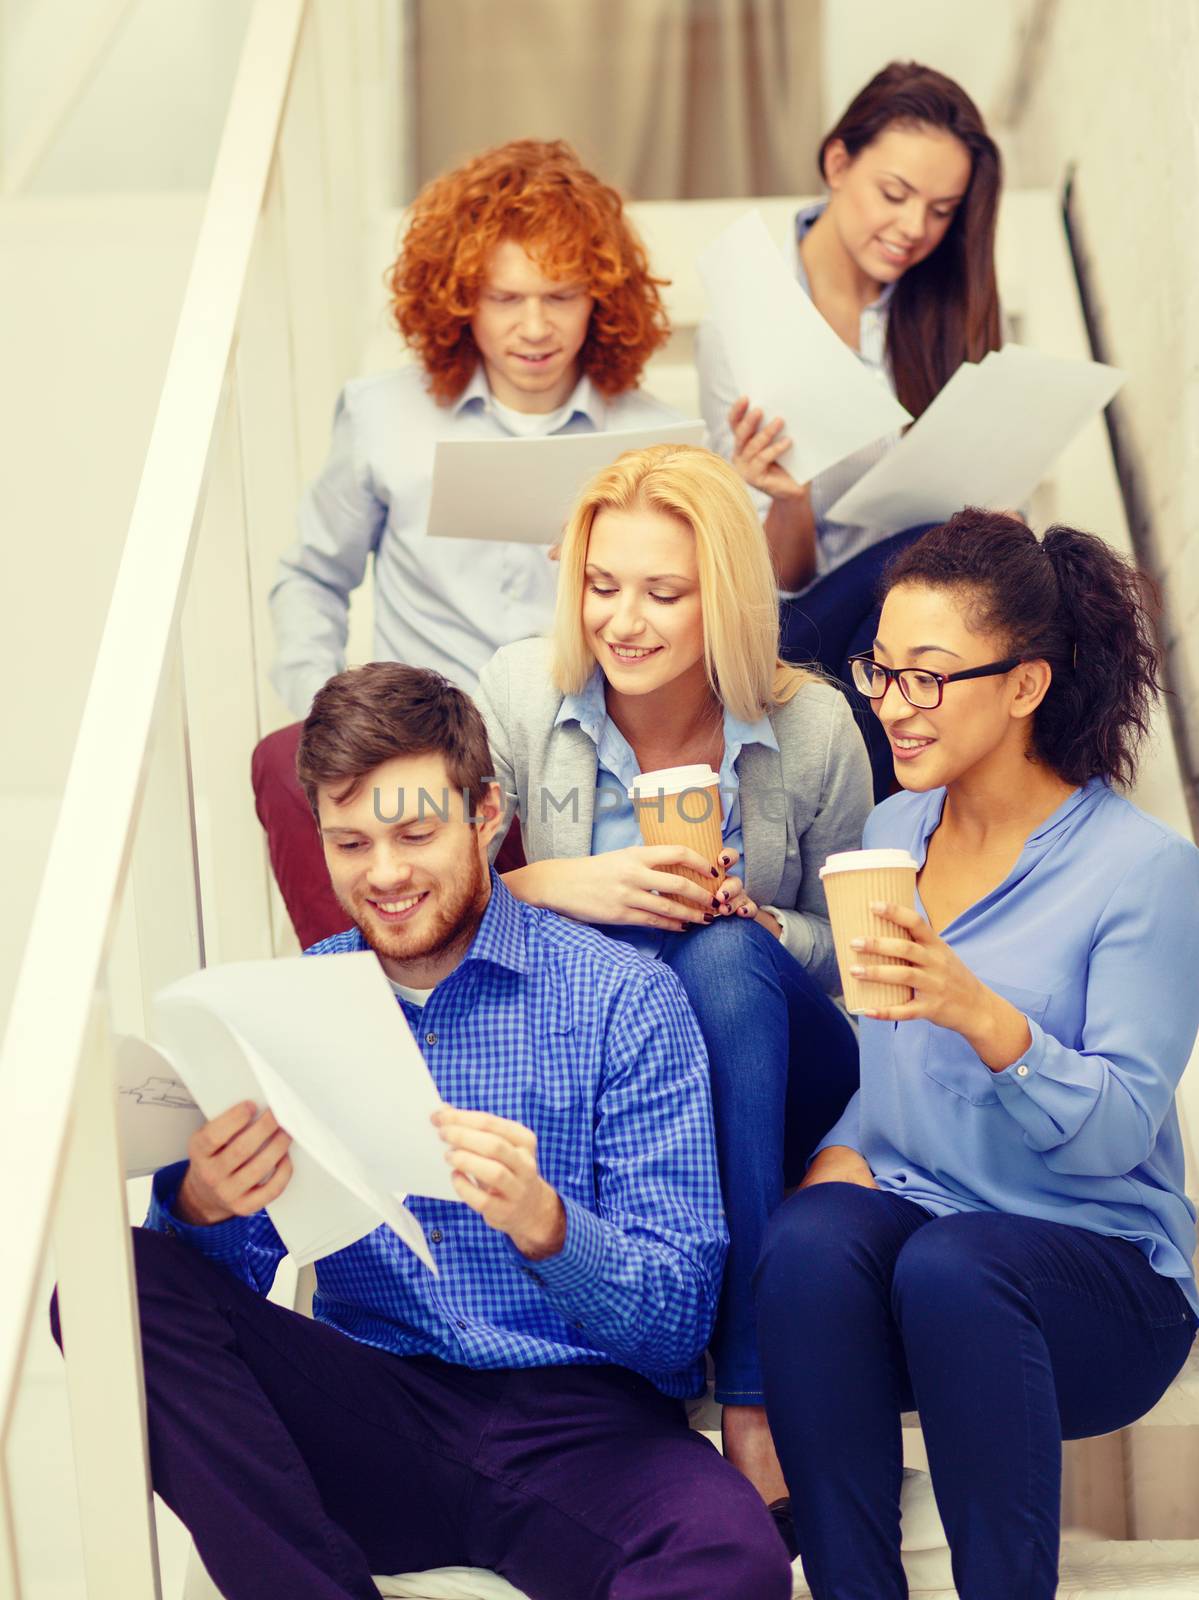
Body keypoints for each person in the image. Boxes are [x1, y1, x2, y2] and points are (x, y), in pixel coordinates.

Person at [56, 664, 791, 1600]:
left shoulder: (623, 1001)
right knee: (108, 1288)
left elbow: (677, 1325)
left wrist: (549, 1227)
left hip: (583, 1431)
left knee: (733, 1557)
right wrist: (203, 1206)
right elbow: (207, 1321)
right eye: (351, 842)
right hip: (376, 1410)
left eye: (415, 832)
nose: (386, 873)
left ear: (485, 814)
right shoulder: (291, 1003)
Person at [755, 510, 1199, 1598]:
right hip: (926, 1256)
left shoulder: (1142, 872)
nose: (889, 705)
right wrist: (832, 1170)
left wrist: (980, 1012)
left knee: (952, 1268)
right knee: (809, 1240)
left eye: (927, 677)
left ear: (1023, 685)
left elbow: (1111, 1136)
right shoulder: (894, 836)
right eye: (881, 670)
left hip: (1101, 1281)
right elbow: (885, 1078)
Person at [474, 443, 872, 1506]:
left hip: (773, 1052)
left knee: (728, 956)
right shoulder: (520, 691)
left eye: (663, 592)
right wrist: (567, 882)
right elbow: (438, 901)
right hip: (612, 1068)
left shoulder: (814, 727)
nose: (622, 620)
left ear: (727, 599)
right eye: (601, 585)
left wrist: (765, 925)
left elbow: (862, 955)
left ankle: (747, 1397)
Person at [253, 138, 681, 947]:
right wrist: (327, 710)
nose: (533, 327)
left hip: (577, 751)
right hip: (414, 740)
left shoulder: (654, 436)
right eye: (503, 297)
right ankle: (364, 1003)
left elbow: (704, 616)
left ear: (600, 298)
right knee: (288, 758)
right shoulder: (383, 416)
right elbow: (311, 576)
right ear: (458, 301)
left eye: (561, 296)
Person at [697, 62, 1002, 797]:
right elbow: (773, 586)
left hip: (930, 620)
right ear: (838, 163)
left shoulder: (941, 303)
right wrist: (788, 497)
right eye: (893, 195)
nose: (912, 230)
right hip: (812, 626)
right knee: (904, 615)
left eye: (940, 210)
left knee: (969, 592)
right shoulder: (751, 316)